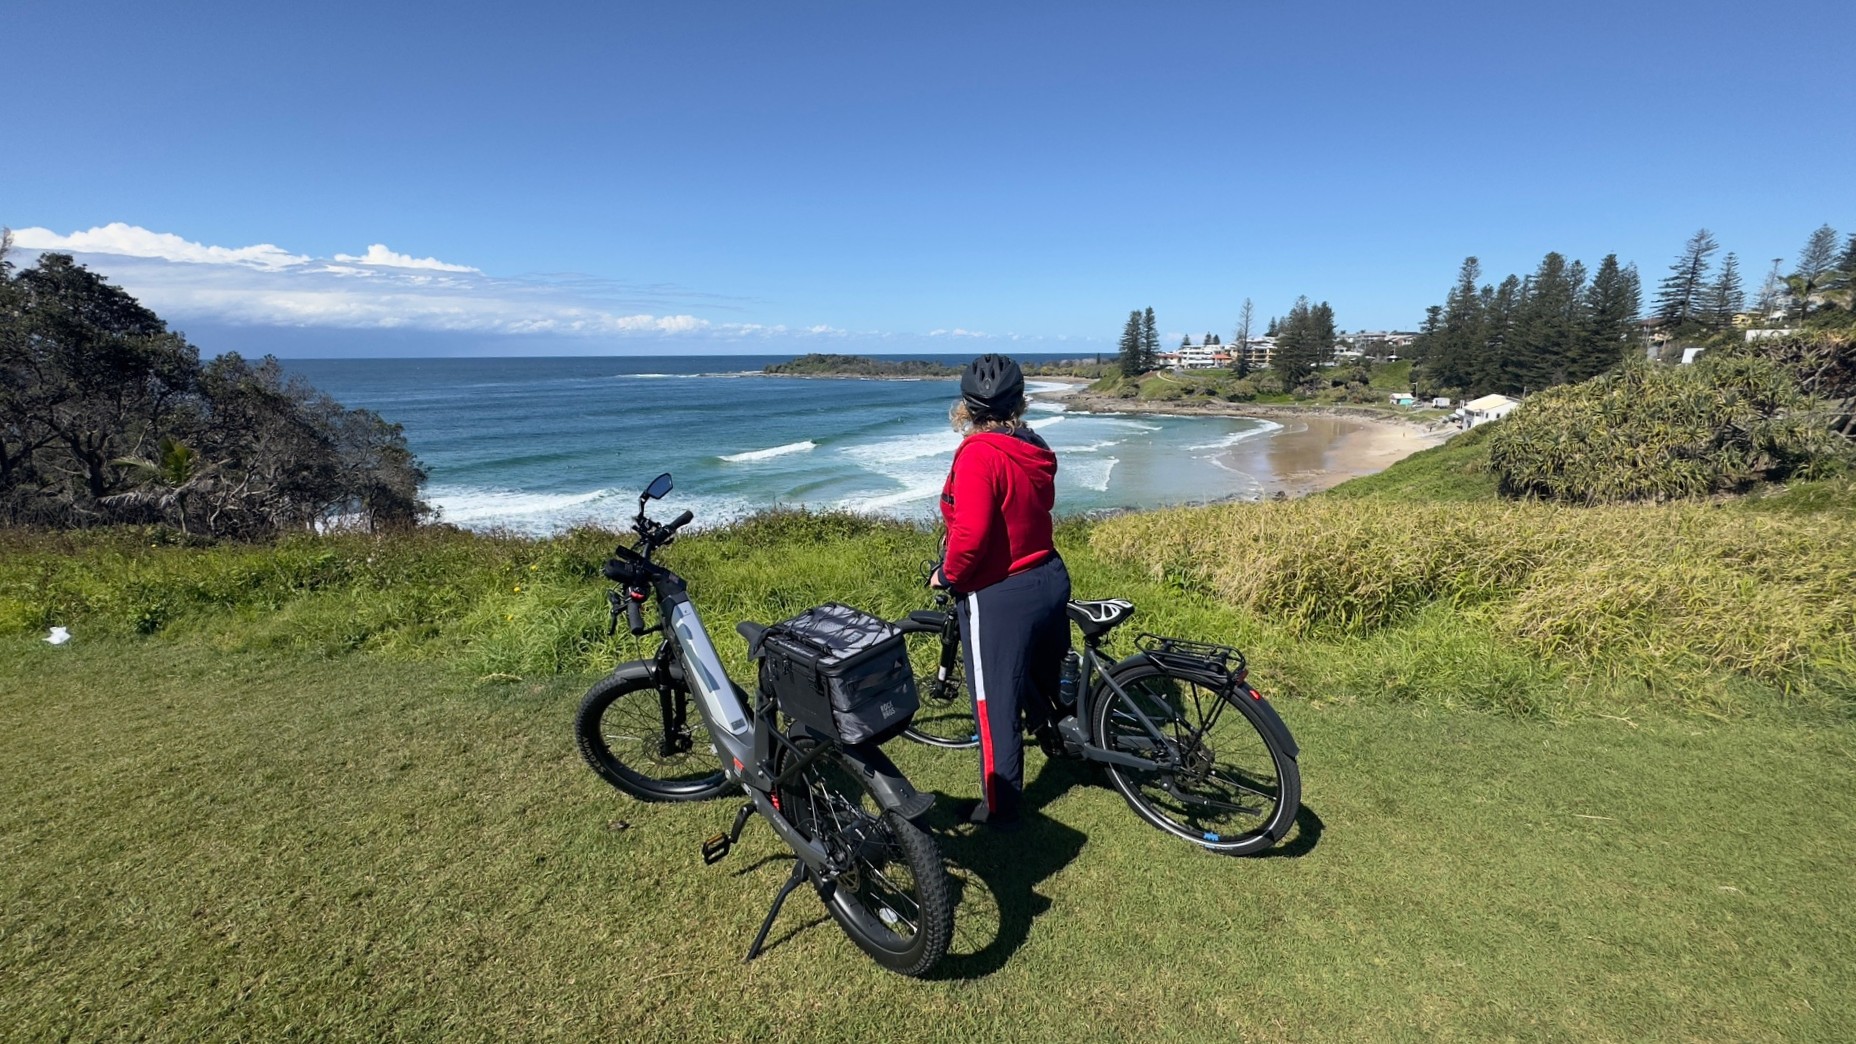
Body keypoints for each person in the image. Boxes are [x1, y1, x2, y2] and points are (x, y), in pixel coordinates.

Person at [931, 354, 1072, 831]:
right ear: (1019, 403)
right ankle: (1068, 742)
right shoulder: (1033, 444)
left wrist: (947, 577)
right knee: (1048, 677)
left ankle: (1000, 807)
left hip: (1001, 593)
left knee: (994, 707)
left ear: (966, 408)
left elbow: (970, 538)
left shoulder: (977, 454)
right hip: (1049, 574)